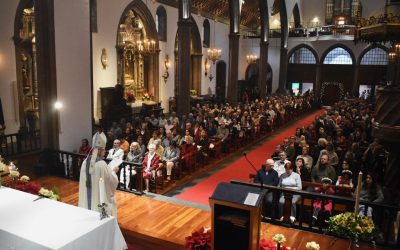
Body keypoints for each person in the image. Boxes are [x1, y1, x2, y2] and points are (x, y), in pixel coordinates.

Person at [78, 132, 119, 216]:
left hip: (86, 202)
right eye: (104, 150)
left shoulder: (85, 162)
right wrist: (114, 172)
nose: (104, 152)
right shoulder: (101, 164)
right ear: (100, 150)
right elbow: (111, 182)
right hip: (99, 201)